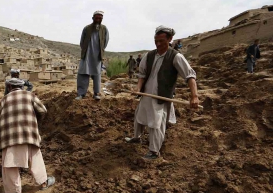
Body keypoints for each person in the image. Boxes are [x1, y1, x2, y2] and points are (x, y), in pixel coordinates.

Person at [125, 25, 199, 160]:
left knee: (156, 124)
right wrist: (138, 88)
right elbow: (142, 75)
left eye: (162, 41)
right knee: (139, 117)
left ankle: (154, 152)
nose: (158, 44)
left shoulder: (176, 57)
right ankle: (136, 138)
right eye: (156, 41)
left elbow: (190, 76)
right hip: (147, 93)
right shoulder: (149, 55)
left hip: (161, 96)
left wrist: (194, 96)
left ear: (170, 39)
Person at [0, 78, 55, 193]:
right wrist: (34, 119)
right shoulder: (30, 96)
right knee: (35, 159)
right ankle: (44, 183)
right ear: (22, 87)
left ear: (9, 88)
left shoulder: (4, 100)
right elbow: (43, 110)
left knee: (9, 164)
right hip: (29, 134)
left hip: (8, 137)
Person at [76, 11, 109, 101]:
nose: (98, 20)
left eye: (100, 18)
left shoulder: (104, 29)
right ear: (93, 18)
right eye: (96, 18)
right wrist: (87, 51)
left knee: (97, 75)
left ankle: (96, 93)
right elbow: (82, 42)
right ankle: (81, 94)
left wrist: (99, 51)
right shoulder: (86, 28)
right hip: (86, 55)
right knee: (83, 74)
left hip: (97, 56)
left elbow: (105, 42)